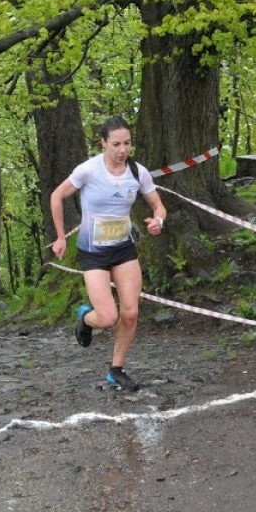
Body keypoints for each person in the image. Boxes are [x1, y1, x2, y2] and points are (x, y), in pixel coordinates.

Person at [49, 116, 167, 391]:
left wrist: (157, 221)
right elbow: (57, 196)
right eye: (116, 144)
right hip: (93, 252)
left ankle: (116, 370)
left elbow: (158, 205)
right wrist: (59, 236)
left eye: (127, 143)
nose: (122, 150)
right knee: (107, 318)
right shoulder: (88, 170)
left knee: (130, 313)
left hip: (124, 250)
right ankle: (85, 318)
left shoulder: (138, 172)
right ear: (103, 143)